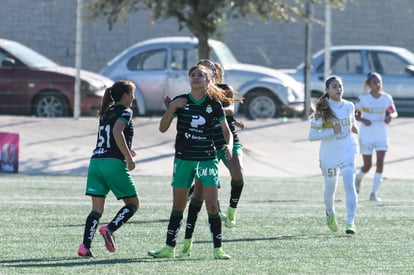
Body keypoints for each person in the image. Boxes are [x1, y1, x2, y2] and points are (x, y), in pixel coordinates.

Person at [148, 65, 234, 260]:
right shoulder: (181, 101)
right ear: (189, 79)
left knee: (212, 206)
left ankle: (218, 249)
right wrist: (172, 107)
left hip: (207, 159)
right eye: (193, 75)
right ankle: (169, 248)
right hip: (184, 159)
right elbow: (162, 128)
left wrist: (228, 145)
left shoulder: (214, 104)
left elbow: (225, 129)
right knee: (178, 205)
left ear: (209, 80)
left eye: (201, 75)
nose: (196, 78)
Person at [77, 80, 139, 257]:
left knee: (96, 210)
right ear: (126, 96)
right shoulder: (126, 111)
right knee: (133, 204)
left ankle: (85, 246)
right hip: (112, 163)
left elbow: (112, 136)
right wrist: (127, 156)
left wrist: (126, 148)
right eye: (132, 94)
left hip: (96, 162)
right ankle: (109, 229)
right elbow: (117, 132)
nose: (133, 98)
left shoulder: (106, 112)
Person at [188, 60, 245, 228]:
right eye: (198, 71)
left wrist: (216, 109)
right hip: (208, 143)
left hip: (227, 140)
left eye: (206, 70)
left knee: (238, 174)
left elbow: (230, 110)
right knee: (207, 183)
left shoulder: (224, 88)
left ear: (214, 73)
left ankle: (232, 211)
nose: (200, 74)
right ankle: (215, 209)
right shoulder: (197, 92)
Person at [308, 75, 359, 235]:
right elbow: (312, 136)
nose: (339, 89)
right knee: (331, 189)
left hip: (347, 151)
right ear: (327, 90)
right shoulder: (322, 111)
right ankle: (330, 213)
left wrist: (354, 126)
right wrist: (331, 131)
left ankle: (350, 222)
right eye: (335, 86)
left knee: (350, 185)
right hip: (329, 155)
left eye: (340, 86)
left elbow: (352, 122)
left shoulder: (349, 106)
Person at [354, 72, 398, 201]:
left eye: (379, 82)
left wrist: (390, 116)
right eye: (374, 82)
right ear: (369, 84)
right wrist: (363, 120)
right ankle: (358, 178)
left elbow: (393, 112)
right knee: (367, 165)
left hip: (381, 134)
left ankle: (373, 194)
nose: (377, 84)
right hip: (367, 135)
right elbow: (356, 114)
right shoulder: (363, 98)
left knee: (380, 163)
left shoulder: (386, 98)